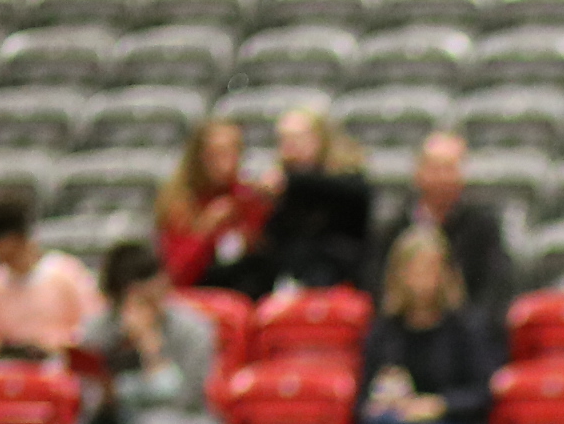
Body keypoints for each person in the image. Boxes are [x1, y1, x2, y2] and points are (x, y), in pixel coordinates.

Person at [353, 226, 497, 424]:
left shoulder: (465, 328)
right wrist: (380, 399)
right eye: (412, 270)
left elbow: (483, 393)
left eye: (429, 268)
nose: (420, 279)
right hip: (395, 422)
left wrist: (437, 405)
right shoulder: (384, 332)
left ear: (445, 274)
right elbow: (362, 398)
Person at [76, 239, 221, 424]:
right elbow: (88, 399)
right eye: (130, 302)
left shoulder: (194, 330)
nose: (138, 311)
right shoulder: (97, 330)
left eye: (147, 300)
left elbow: (183, 400)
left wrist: (150, 348)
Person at [370, 129, 515, 326]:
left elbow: (495, 290)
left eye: (449, 169)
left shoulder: (483, 229)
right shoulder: (393, 230)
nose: (442, 178)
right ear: (418, 173)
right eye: (435, 169)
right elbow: (378, 287)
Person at [234, 107, 374, 297]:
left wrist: (289, 182)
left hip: (336, 282)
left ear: (321, 139)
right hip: (287, 281)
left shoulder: (346, 178)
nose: (290, 147)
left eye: (298, 138)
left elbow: (352, 193)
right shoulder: (281, 188)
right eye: (284, 140)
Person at [0, 196, 101, 366]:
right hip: (10, 368)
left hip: (58, 365)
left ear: (12, 238)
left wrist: (56, 345)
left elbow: (91, 325)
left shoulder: (67, 273)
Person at [154, 116, 269, 292]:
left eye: (235, 151)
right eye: (218, 153)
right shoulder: (180, 204)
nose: (228, 162)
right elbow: (177, 276)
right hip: (198, 297)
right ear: (199, 158)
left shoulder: (247, 197)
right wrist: (206, 228)